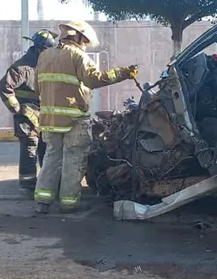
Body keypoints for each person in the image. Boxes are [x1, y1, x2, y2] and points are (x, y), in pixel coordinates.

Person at [33, 20, 138, 214]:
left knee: (51, 158)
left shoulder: (44, 56)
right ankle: (68, 203)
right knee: (73, 160)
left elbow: (36, 86)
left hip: (49, 120)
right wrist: (124, 73)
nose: (84, 44)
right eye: (84, 40)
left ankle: (42, 202)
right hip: (74, 119)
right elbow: (94, 79)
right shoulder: (78, 56)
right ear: (77, 36)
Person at [0, 29, 57, 192]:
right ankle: (29, 184)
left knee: (47, 147)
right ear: (38, 48)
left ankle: (47, 183)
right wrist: (16, 108)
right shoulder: (22, 67)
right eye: (46, 50)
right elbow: (4, 86)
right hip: (27, 116)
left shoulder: (47, 65)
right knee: (30, 146)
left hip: (45, 114)